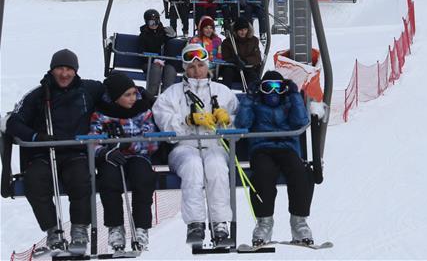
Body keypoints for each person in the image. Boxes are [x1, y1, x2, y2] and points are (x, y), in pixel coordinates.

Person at [5, 50, 104, 253]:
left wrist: (142, 96)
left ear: (76, 71)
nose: (64, 74)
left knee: (80, 179)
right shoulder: (38, 95)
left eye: (69, 69)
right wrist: (36, 137)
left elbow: (116, 90)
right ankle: (53, 232)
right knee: (35, 181)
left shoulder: (88, 90)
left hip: (74, 152)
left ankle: (78, 230)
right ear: (52, 70)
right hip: (44, 153)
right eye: (60, 68)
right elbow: (14, 122)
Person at [152, 44, 238, 244]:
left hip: (214, 146)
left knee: (216, 167)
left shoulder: (222, 92)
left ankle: (220, 223)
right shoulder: (172, 94)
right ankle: (195, 223)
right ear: (184, 69)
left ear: (207, 66)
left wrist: (227, 120)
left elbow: (240, 123)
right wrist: (187, 121)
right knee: (193, 167)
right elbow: (164, 122)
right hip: (184, 147)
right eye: (191, 67)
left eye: (200, 66)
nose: (196, 71)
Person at [235, 71, 317, 246]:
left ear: (283, 89)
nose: (272, 92)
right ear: (261, 89)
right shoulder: (255, 102)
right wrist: (249, 98)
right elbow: (241, 124)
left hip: (287, 147)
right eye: (267, 87)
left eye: (277, 87)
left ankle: (299, 223)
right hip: (262, 148)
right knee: (263, 174)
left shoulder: (289, 101)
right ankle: (264, 224)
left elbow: (301, 122)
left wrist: (294, 95)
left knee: (300, 173)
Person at [89, 72, 158, 252]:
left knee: (143, 178)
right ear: (114, 97)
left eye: (134, 93)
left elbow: (151, 142)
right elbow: (92, 141)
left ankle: (141, 228)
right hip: (112, 156)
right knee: (109, 179)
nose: (133, 98)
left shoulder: (143, 110)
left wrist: (128, 143)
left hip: (138, 156)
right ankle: (115, 227)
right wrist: (105, 151)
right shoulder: (102, 113)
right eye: (127, 95)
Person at [140, 9, 177, 96]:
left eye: (156, 22)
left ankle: (166, 97)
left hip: (164, 62)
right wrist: (154, 60)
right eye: (151, 23)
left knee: (170, 70)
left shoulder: (163, 32)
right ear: (146, 22)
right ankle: (151, 96)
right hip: (149, 62)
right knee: (156, 69)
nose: (154, 25)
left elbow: (169, 44)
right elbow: (141, 52)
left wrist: (173, 35)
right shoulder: (144, 35)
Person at [220, 18, 263, 87]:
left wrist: (245, 60)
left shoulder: (253, 40)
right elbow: (225, 57)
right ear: (236, 31)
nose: (243, 32)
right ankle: (226, 93)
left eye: (245, 29)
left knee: (253, 76)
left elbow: (257, 57)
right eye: (240, 30)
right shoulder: (228, 42)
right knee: (227, 72)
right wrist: (235, 60)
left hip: (248, 70)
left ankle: (253, 94)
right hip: (234, 70)